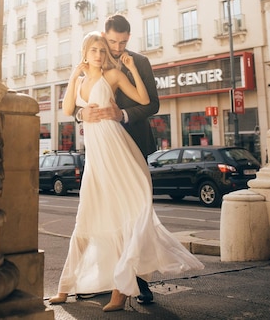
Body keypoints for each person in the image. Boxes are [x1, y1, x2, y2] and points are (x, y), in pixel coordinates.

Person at [49, 32, 203, 312]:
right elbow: (69, 108)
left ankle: (120, 293)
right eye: (92, 50)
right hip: (95, 156)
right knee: (86, 216)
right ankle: (64, 287)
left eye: (100, 49)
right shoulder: (81, 80)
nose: (98, 54)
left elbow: (144, 99)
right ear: (84, 52)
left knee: (122, 216)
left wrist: (131, 68)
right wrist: (73, 78)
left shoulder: (114, 75)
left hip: (117, 148)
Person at [76, 13, 159, 303]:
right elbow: (79, 102)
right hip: (102, 151)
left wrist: (121, 114)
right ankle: (106, 278)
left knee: (136, 214)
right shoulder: (92, 61)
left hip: (133, 146)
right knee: (102, 213)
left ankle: (139, 281)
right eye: (112, 41)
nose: (117, 47)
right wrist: (79, 114)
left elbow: (153, 104)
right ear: (104, 35)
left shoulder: (140, 62)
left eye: (122, 42)